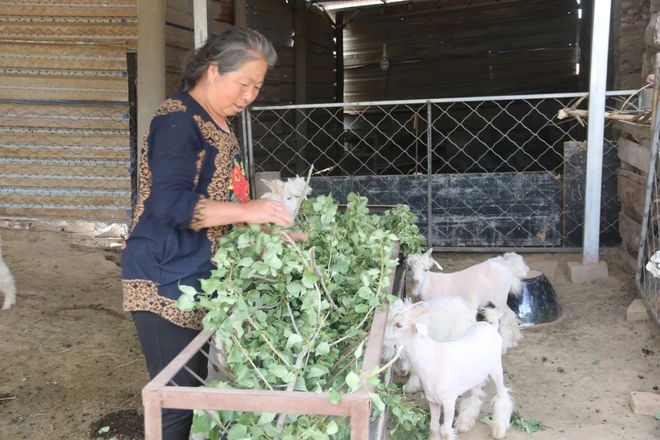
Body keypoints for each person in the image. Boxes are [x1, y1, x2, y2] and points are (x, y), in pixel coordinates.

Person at [121, 27, 291, 440]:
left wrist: (266, 230)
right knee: (175, 400)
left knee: (193, 389)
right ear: (214, 71)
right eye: (243, 83)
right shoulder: (178, 120)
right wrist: (247, 210)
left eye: (257, 87)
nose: (249, 95)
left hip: (197, 272)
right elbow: (171, 204)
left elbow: (221, 198)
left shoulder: (215, 119)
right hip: (164, 276)